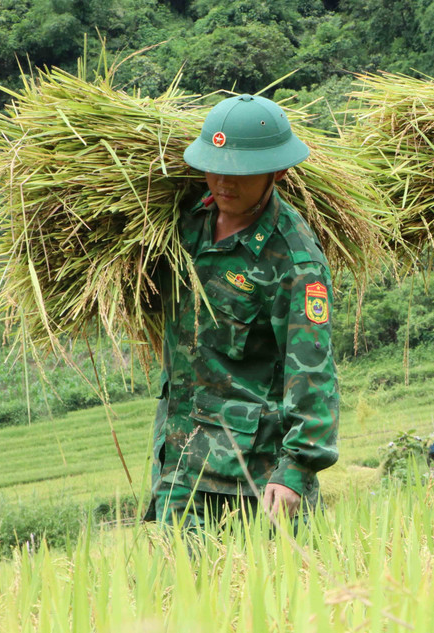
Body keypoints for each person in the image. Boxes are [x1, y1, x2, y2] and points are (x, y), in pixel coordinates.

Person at [145, 94, 339, 527]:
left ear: (278, 172)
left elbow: (313, 370)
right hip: (178, 462)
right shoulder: (182, 222)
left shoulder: (294, 260)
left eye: (239, 172)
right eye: (214, 167)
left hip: (253, 478)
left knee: (272, 593)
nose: (223, 182)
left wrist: (297, 469)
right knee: (178, 592)